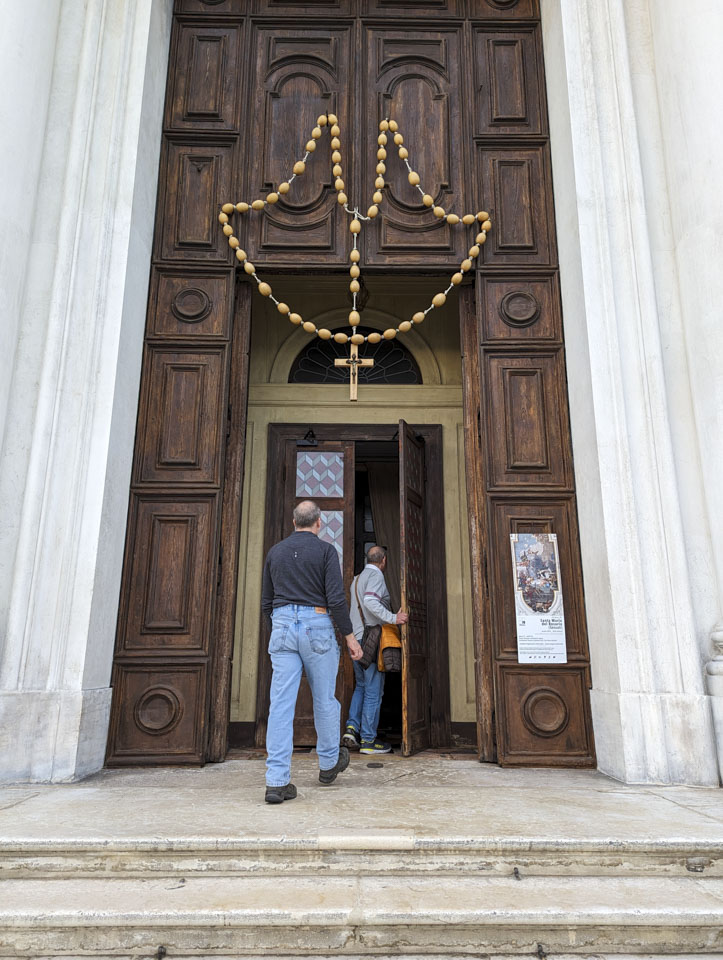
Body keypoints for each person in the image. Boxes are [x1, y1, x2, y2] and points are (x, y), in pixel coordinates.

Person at [261, 499, 363, 804]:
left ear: (294, 522)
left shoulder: (275, 552)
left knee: (280, 704)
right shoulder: (326, 551)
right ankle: (329, 763)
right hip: (316, 624)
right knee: (324, 700)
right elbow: (335, 598)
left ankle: (276, 782)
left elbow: (267, 602)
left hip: (281, 625)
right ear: (318, 523)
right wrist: (350, 637)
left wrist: (278, 630)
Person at [344, 544, 408, 755]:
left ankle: (352, 729)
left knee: (361, 686)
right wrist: (393, 618)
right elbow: (371, 602)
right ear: (383, 561)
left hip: (356, 639)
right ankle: (369, 741)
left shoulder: (356, 580)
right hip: (371, 641)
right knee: (373, 691)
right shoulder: (377, 577)